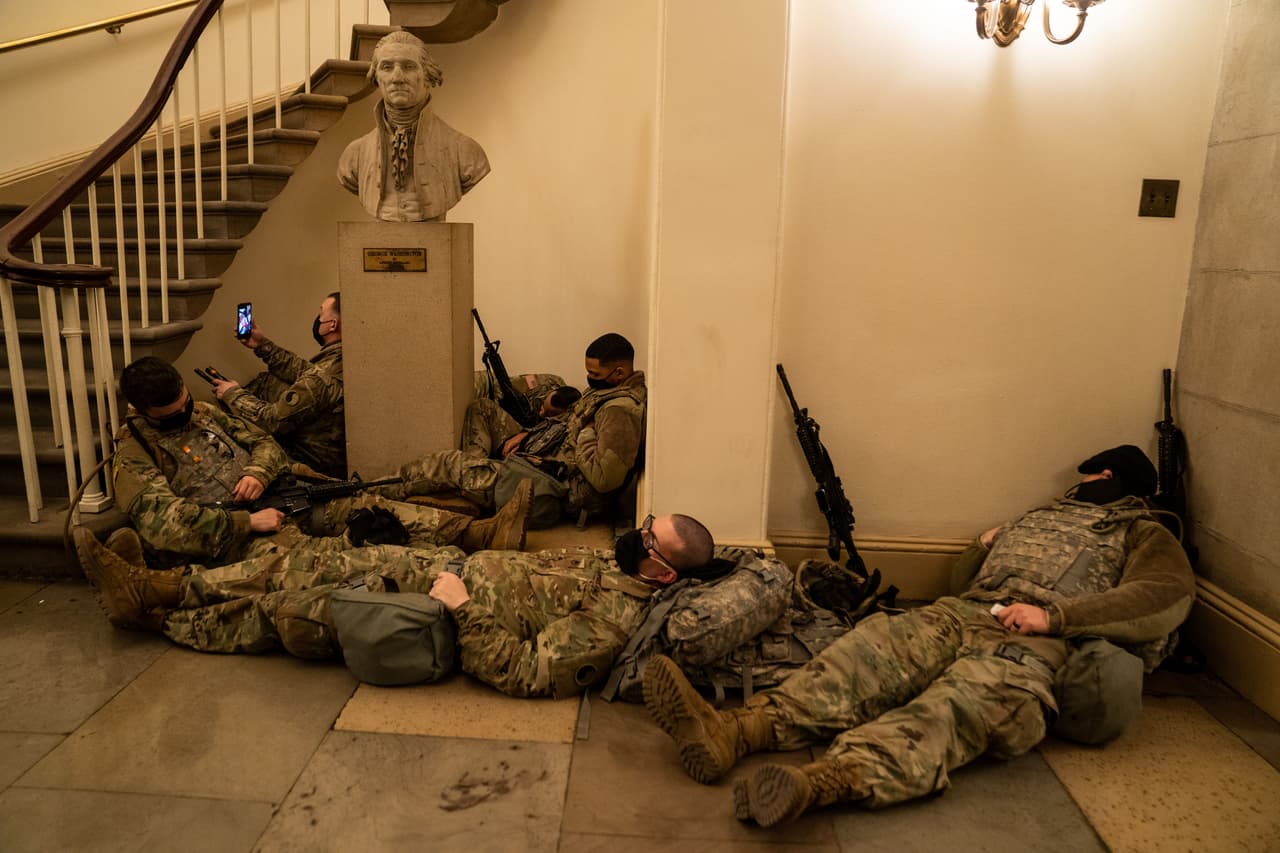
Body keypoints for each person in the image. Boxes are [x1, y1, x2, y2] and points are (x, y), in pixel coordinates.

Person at [642, 444, 1197, 827]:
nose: (1080, 484)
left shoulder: (1143, 529)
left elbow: (1162, 596)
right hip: (965, 612)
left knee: (956, 707)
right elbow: (968, 581)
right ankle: (736, 732)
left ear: (1108, 481)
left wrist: (1055, 619)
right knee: (866, 656)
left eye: (1091, 477)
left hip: (1037, 644)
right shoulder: (1037, 516)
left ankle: (826, 781)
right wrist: (984, 545)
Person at [73, 512, 718, 699]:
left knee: (293, 607)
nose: (637, 533)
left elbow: (525, 671)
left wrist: (461, 604)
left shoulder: (614, 621)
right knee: (308, 554)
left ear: (662, 571)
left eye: (649, 537)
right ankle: (165, 582)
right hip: (440, 573)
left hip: (433, 610)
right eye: (649, 521)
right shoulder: (614, 563)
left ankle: (155, 610)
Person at [111, 356, 530, 572]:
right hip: (236, 534)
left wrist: (257, 473)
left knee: (367, 508)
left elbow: (266, 444)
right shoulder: (134, 453)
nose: (185, 415)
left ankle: (477, 534)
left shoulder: (205, 412)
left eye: (185, 404)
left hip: (280, 495)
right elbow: (164, 524)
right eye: (172, 415)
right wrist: (245, 524)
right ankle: (447, 566)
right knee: (331, 557)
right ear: (140, 409)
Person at [391, 333, 646, 523]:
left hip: (550, 486)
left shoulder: (619, 411)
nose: (590, 379)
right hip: (540, 453)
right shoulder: (607, 390)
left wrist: (587, 432)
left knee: (446, 463)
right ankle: (475, 484)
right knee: (484, 408)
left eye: (595, 375)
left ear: (620, 372)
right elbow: (570, 424)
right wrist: (530, 434)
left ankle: (374, 488)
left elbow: (605, 480)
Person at [337, 30, 490, 222]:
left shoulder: (464, 151)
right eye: (386, 67)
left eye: (409, 66)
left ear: (428, 76)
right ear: (376, 77)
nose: (397, 77)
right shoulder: (354, 155)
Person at [210, 292, 347, 478]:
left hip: (311, 461)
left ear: (332, 325)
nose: (318, 318)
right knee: (267, 380)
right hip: (331, 450)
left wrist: (233, 394)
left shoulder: (322, 377)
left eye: (321, 313)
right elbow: (304, 371)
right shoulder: (344, 356)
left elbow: (272, 421)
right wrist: (261, 345)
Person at [463, 381, 580, 459]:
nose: (542, 413)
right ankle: (473, 464)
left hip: (531, 451)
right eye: (543, 408)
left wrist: (528, 436)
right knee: (482, 405)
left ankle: (476, 472)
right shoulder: (546, 389)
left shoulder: (572, 420)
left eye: (549, 414)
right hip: (521, 432)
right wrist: (525, 432)